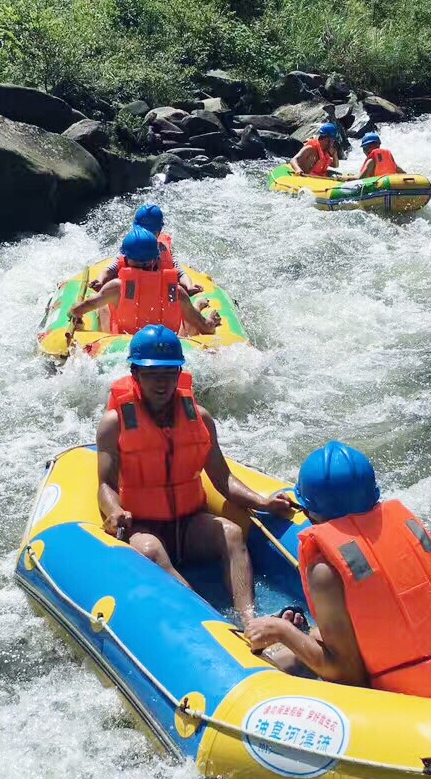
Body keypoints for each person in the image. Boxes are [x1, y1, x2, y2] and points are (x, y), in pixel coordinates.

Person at [245, 442, 431, 700]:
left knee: (291, 651)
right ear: (374, 495)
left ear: (307, 511)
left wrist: (281, 631)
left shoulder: (324, 570)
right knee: (316, 635)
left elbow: (347, 676)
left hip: (408, 707)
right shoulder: (411, 533)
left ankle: (284, 640)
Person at [97, 325, 294, 623]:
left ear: (179, 374)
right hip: (144, 526)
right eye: (152, 374)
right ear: (136, 374)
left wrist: (263, 502)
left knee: (231, 532)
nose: (161, 383)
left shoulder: (200, 419)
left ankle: (251, 619)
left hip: (190, 525)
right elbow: (105, 485)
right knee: (149, 551)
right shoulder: (115, 423)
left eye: (168, 373)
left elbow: (222, 478)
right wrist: (114, 510)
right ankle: (214, 623)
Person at [69, 226, 218, 337]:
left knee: (104, 306)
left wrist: (76, 316)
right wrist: (211, 321)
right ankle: (198, 305)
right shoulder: (176, 291)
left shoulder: (116, 288)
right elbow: (206, 327)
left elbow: (77, 310)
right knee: (188, 315)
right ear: (155, 259)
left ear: (125, 258)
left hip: (124, 342)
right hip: (167, 345)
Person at [91, 204, 201, 296]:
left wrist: (189, 286)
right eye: (143, 231)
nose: (146, 235)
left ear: (159, 231)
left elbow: (180, 273)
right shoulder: (132, 246)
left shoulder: (163, 251)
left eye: (150, 232)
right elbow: (110, 269)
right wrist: (100, 281)